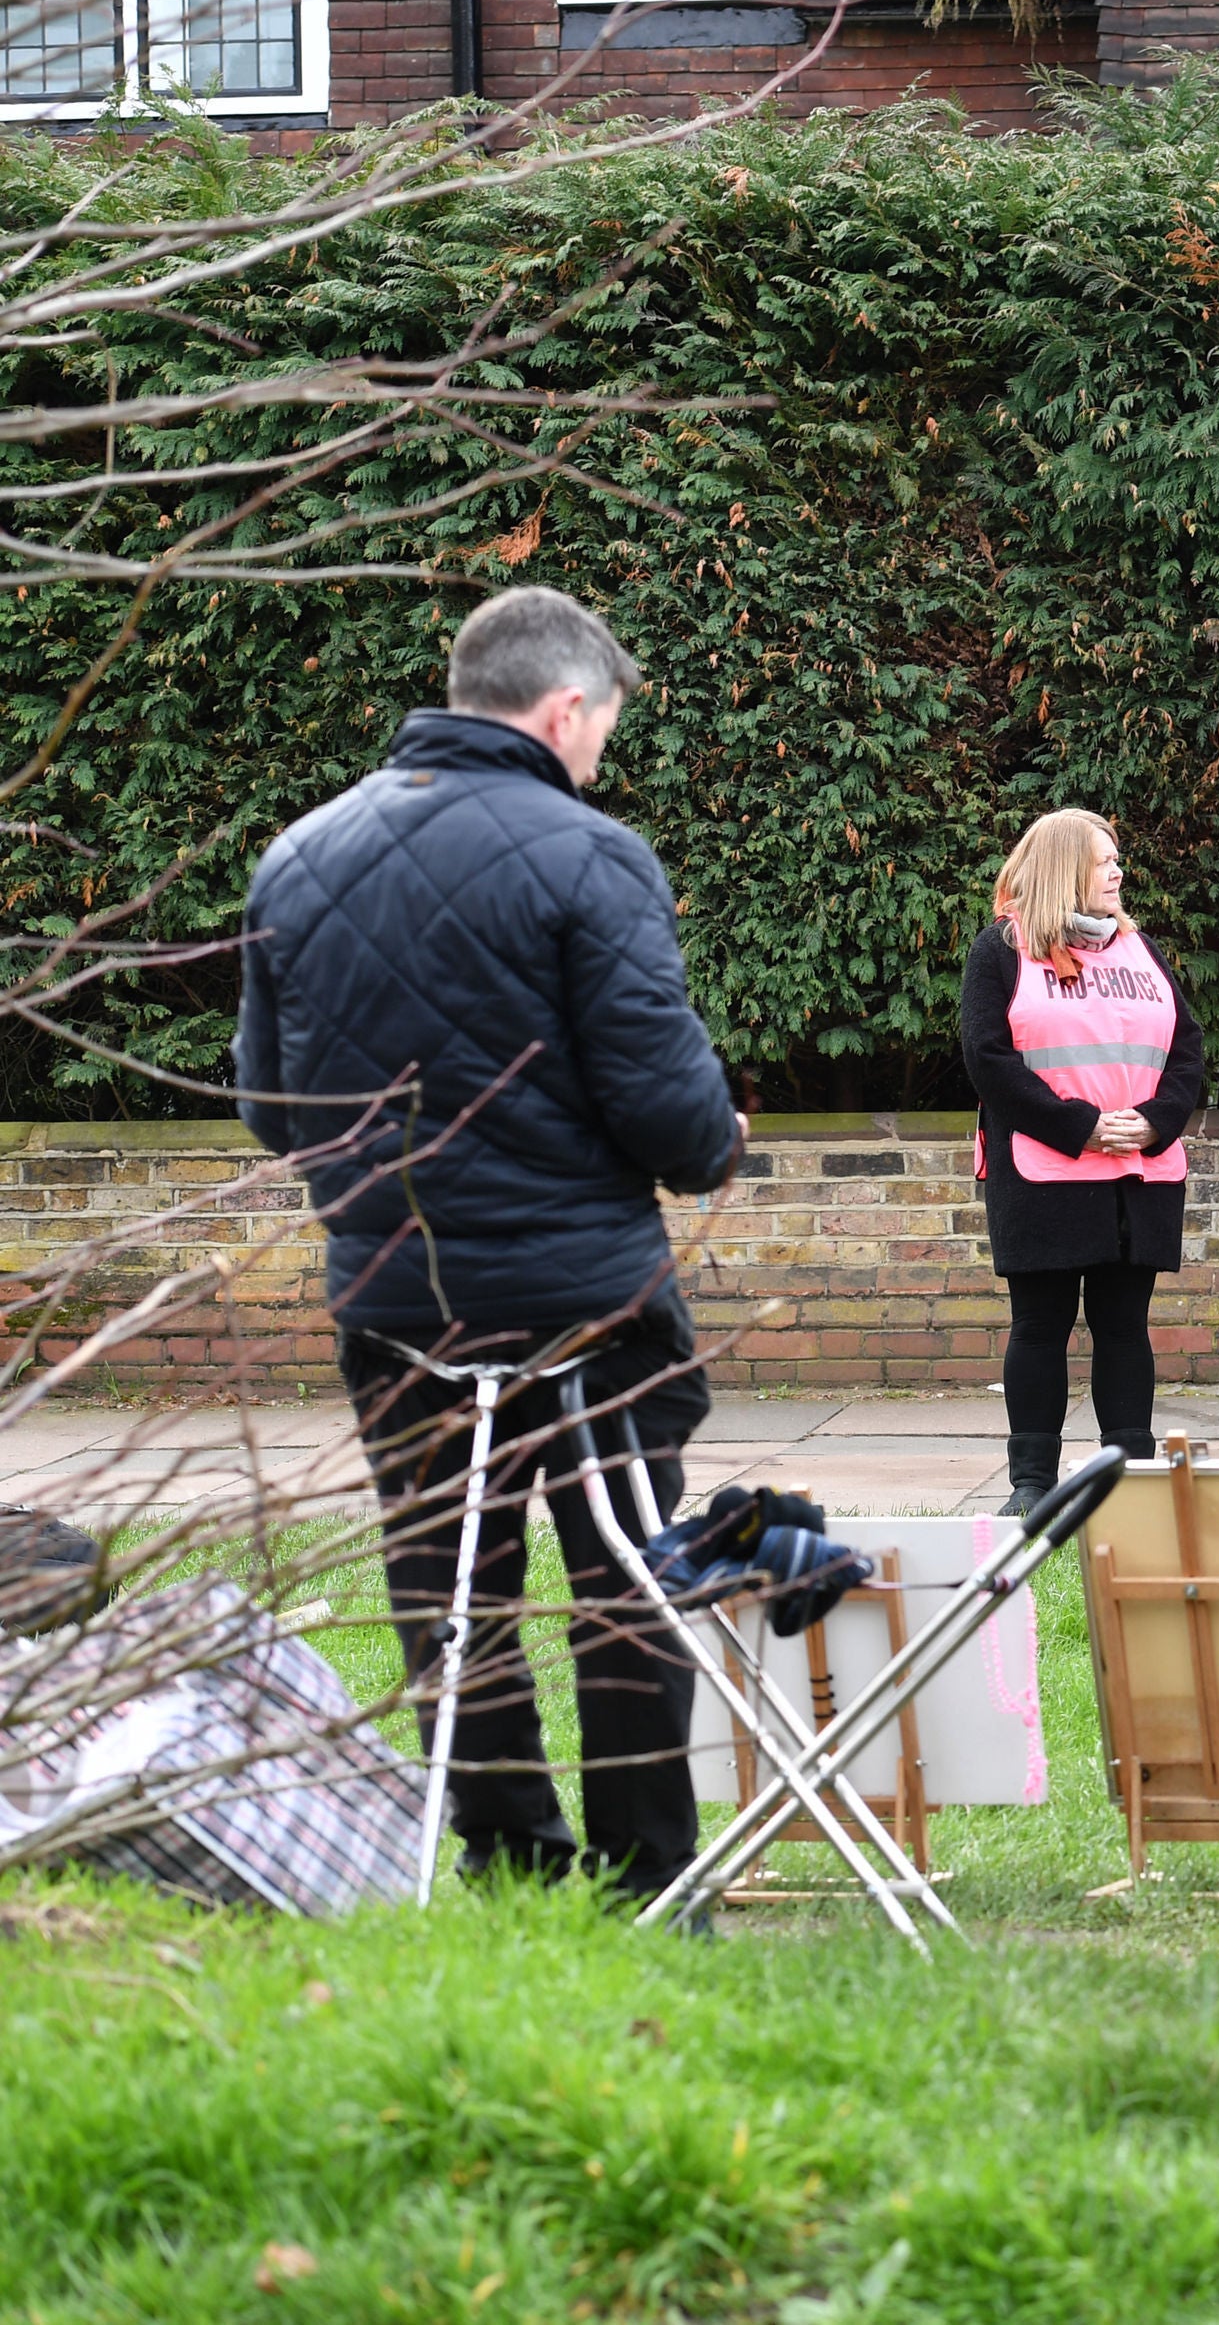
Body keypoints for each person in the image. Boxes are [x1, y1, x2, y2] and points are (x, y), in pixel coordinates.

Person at [234, 585, 746, 1900]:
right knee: (624, 1572)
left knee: (446, 1578)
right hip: (585, 1294)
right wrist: (714, 1145)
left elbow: (269, 1105)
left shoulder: (299, 854)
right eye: (604, 730)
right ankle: (645, 1871)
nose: (600, 758)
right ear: (566, 706)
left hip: (397, 1291)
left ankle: (508, 1854)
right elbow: (663, 1101)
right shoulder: (592, 854)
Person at [961, 809, 1206, 1515]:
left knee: (1124, 1325)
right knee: (1040, 1324)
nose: (1118, 870)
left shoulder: (1142, 950)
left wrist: (1155, 1125)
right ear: (1065, 867)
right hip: (1045, 1172)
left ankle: (1129, 1481)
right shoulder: (1002, 950)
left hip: (1138, 1174)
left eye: (1117, 858)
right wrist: (1082, 1127)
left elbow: (1187, 1051)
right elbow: (989, 1059)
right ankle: (1031, 1484)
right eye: (1104, 860)